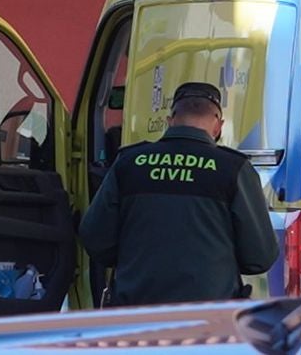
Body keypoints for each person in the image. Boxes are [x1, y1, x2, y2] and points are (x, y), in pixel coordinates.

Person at [78, 81, 278, 307]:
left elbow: (94, 238)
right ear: (218, 126)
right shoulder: (234, 169)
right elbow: (260, 257)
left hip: (135, 311)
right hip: (209, 319)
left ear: (170, 121)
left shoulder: (129, 162)